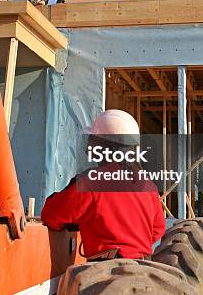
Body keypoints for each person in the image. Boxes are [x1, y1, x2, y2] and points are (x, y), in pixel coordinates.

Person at [41, 110, 166, 260]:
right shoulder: (149, 186)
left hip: (106, 271)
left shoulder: (91, 183)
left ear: (102, 146)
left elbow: (51, 215)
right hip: (144, 268)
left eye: (93, 140)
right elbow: (157, 230)